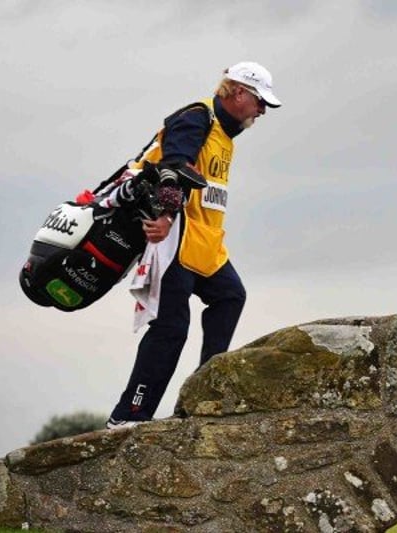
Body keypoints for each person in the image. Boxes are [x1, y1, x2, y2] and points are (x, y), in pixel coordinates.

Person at [106, 62, 282, 429]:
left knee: (230, 295)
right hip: (172, 237)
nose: (262, 110)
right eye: (259, 101)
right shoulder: (196, 117)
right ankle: (128, 416)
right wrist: (167, 215)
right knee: (171, 328)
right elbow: (172, 167)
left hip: (205, 243)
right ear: (237, 93)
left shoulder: (226, 134)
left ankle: (206, 396)